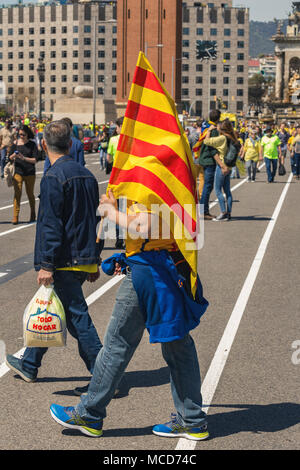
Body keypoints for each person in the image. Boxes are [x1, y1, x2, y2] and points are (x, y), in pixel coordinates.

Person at [49, 185, 210, 440]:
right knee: (178, 347)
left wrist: (111, 212)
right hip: (166, 265)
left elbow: (144, 227)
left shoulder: (152, 174)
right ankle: (191, 419)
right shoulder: (173, 173)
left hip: (149, 269)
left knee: (118, 343)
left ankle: (89, 413)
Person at [5, 120, 103, 384]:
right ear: (71, 144)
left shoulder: (53, 176)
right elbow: (96, 220)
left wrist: (46, 263)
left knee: (76, 317)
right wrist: (94, 258)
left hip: (64, 259)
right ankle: (30, 362)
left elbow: (51, 224)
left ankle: (104, 375)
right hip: (82, 256)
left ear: (43, 144)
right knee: (58, 309)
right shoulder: (87, 175)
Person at [204, 119, 239, 221]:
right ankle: (228, 213)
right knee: (227, 191)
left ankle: (223, 212)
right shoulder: (233, 137)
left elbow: (206, 141)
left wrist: (209, 131)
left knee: (218, 190)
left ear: (222, 129)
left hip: (222, 166)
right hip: (229, 166)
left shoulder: (222, 138)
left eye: (219, 125)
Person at [8, 125, 38, 225]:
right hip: (18, 172)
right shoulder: (15, 143)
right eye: (19, 134)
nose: (21, 136)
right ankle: (15, 216)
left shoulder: (32, 144)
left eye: (23, 134)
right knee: (17, 194)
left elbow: (35, 160)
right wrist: (13, 156)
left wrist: (23, 158)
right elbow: (9, 158)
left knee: (30, 194)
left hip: (30, 172)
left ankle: (33, 214)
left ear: (27, 134)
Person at [198, 109, 222, 220]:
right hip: (209, 161)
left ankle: (203, 210)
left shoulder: (207, 127)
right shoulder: (214, 130)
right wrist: (221, 163)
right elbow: (212, 148)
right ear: (218, 119)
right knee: (208, 186)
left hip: (203, 159)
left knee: (206, 186)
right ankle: (204, 212)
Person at [107, 117, 125, 249]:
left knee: (117, 209)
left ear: (120, 126)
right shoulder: (133, 140)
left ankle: (119, 237)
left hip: (117, 179)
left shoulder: (113, 140)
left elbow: (108, 159)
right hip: (131, 178)